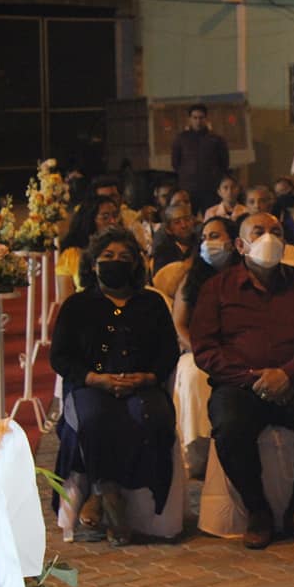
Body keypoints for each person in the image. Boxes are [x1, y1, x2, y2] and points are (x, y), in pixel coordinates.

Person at [190, 212, 294, 549]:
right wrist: (251, 379)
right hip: (241, 386)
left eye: (276, 231)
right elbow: (205, 348)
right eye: (258, 232)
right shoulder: (217, 288)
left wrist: (288, 373)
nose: (268, 238)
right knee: (229, 426)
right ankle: (257, 509)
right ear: (240, 245)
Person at [50, 228, 179, 546]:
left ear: (135, 264)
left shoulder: (151, 302)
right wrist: (94, 379)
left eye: (124, 257)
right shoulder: (77, 305)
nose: (115, 262)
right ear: (93, 263)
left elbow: (168, 351)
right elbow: (60, 357)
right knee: (94, 420)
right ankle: (108, 494)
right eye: (107, 256)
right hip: (91, 386)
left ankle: (106, 492)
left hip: (142, 385)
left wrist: (147, 377)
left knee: (151, 418)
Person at [171, 216, 241, 476]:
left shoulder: (248, 274)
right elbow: (179, 325)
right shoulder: (192, 278)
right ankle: (198, 451)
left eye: (214, 236)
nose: (207, 243)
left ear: (233, 242)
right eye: (203, 238)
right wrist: (202, 351)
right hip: (198, 351)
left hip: (240, 351)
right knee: (194, 374)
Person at [56, 196, 120, 302]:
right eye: (105, 217)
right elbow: (66, 302)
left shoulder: (123, 250)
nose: (113, 221)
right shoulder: (72, 255)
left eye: (115, 216)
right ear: (90, 220)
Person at [170, 103, 230, 214]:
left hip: (210, 189)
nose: (198, 121)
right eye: (195, 118)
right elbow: (175, 162)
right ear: (190, 119)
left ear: (206, 119)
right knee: (187, 216)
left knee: (211, 216)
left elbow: (224, 163)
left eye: (201, 118)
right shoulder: (181, 139)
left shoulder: (216, 139)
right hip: (188, 189)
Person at [152, 205, 197, 274]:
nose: (184, 225)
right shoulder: (163, 251)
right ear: (168, 229)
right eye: (177, 222)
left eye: (187, 219)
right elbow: (162, 277)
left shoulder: (201, 243)